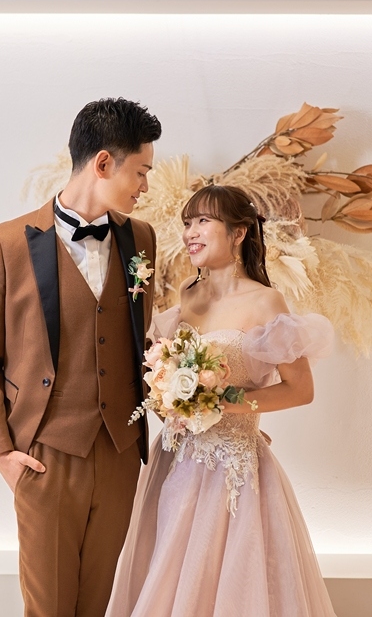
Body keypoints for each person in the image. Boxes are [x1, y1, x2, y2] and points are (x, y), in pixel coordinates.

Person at [0, 98, 161, 617]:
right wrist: (2, 454)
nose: (145, 186)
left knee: (100, 606)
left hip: (119, 453)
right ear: (103, 163)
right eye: (141, 172)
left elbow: (141, 343)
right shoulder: (6, 242)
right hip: (44, 457)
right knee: (49, 608)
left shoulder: (142, 239)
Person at [106, 184, 338, 617]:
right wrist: (169, 395)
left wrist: (228, 405)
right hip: (175, 460)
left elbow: (300, 390)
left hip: (232, 469)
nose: (190, 232)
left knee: (227, 581)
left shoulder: (266, 301)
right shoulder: (186, 296)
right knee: (168, 576)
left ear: (239, 232)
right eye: (187, 223)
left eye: (203, 221)